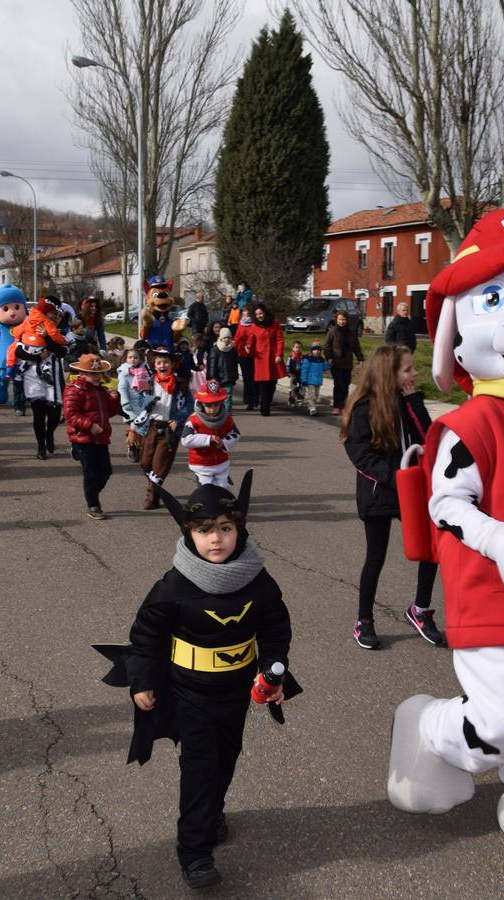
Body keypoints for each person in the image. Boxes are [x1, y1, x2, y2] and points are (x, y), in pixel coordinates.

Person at [109, 473, 293, 889]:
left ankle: (212, 814)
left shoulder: (258, 581)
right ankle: (194, 852)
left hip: (237, 691)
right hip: (188, 693)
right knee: (199, 768)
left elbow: (276, 628)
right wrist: (141, 680)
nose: (216, 540)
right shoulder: (174, 586)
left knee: (227, 757)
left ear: (239, 530)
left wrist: (274, 668)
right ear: (189, 533)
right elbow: (145, 636)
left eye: (225, 529)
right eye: (204, 530)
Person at [340, 344, 443, 649]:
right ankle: (364, 619)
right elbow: (359, 453)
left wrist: (414, 400)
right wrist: (395, 476)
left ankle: (420, 609)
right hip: (380, 491)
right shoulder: (364, 407)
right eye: (408, 369)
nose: (414, 373)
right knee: (376, 557)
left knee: (429, 549)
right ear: (389, 373)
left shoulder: (408, 401)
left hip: (412, 490)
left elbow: (429, 438)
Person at [64, 353, 123, 518]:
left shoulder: (102, 390)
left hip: (101, 438)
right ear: (82, 373)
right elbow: (71, 414)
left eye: (98, 373)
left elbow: (110, 412)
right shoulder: (74, 389)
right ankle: (93, 504)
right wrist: (90, 425)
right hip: (83, 438)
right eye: (92, 373)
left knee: (105, 472)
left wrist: (114, 400)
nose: (96, 377)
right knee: (90, 473)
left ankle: (91, 494)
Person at [138, 345, 192, 510]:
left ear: (172, 364)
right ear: (154, 365)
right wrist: (149, 401)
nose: (162, 365)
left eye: (165, 362)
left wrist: (178, 418)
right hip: (151, 426)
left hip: (169, 429)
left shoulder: (181, 384)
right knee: (145, 463)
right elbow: (139, 402)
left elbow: (190, 404)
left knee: (160, 465)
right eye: (159, 362)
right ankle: (156, 486)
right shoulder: (148, 383)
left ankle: (152, 497)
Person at [13, 317, 68, 459]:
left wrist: (47, 337)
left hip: (52, 380)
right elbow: (18, 352)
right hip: (33, 380)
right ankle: (41, 447)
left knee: (54, 416)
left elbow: (62, 352)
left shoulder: (56, 335)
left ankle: (49, 434)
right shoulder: (25, 333)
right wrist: (38, 357)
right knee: (38, 415)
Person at [180, 379, 240, 487]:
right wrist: (208, 439)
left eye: (216, 405)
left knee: (224, 490)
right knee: (207, 490)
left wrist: (224, 443)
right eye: (208, 406)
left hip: (221, 463)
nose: (212, 409)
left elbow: (235, 434)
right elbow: (185, 439)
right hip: (202, 464)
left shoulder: (227, 418)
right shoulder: (194, 420)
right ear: (201, 404)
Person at [235, 303, 285, 416]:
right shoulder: (254, 326)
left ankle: (267, 401)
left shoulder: (274, 323)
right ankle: (264, 407)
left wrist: (279, 354)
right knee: (263, 383)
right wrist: (248, 346)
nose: (259, 316)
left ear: (265, 312)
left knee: (272, 383)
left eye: (261, 313)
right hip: (260, 358)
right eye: (257, 314)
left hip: (273, 357)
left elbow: (279, 340)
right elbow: (251, 339)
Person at [324, 309, 363, 415]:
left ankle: (344, 405)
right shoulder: (332, 331)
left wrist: (360, 359)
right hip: (335, 363)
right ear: (336, 320)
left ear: (347, 320)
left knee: (346, 385)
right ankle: (336, 406)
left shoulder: (351, 332)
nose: (342, 321)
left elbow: (356, 347)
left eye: (344, 319)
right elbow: (327, 346)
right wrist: (329, 357)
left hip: (347, 363)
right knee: (338, 385)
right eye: (340, 319)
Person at [205, 327, 238, 412]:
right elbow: (212, 364)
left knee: (228, 394)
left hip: (229, 376)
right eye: (224, 337)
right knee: (218, 395)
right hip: (217, 377)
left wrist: (235, 375)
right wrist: (212, 376)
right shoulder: (215, 350)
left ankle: (227, 411)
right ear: (221, 338)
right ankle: (219, 410)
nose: (226, 339)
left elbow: (235, 364)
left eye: (228, 337)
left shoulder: (233, 350)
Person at [299, 341, 328, 415]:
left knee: (316, 395)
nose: (317, 351)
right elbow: (304, 370)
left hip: (318, 381)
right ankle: (312, 408)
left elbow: (323, 368)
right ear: (312, 350)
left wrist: (329, 364)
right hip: (310, 381)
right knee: (311, 395)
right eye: (315, 349)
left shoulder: (321, 359)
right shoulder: (308, 359)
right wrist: (304, 380)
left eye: (318, 350)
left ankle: (311, 405)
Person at [285, 340, 305, 407]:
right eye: (296, 347)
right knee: (293, 386)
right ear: (292, 348)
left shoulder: (302, 357)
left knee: (302, 386)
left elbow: (305, 365)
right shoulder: (290, 357)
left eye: (299, 347)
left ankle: (300, 398)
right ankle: (291, 400)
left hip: (300, 373)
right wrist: (288, 372)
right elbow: (287, 365)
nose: (298, 349)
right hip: (293, 373)